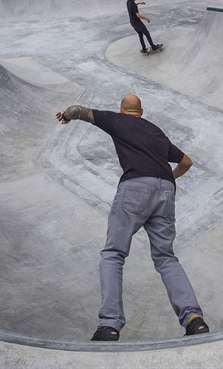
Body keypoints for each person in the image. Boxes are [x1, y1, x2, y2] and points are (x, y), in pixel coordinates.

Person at [55, 94, 209, 341]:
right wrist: (167, 180)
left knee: (113, 254)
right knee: (166, 257)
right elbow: (187, 162)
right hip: (165, 191)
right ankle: (193, 318)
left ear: (122, 109)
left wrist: (66, 116)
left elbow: (77, 110)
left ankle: (110, 324)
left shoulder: (117, 121)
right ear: (142, 111)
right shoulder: (156, 132)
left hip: (135, 188)